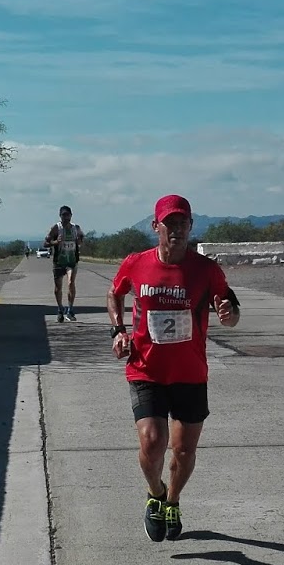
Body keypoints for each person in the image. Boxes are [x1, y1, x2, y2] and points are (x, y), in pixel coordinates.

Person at [107, 194, 240, 542]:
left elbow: (231, 309)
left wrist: (228, 315)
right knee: (153, 442)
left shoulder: (206, 270)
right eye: (170, 223)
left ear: (191, 226)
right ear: (156, 226)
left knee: (183, 451)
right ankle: (155, 492)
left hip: (190, 374)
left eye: (183, 223)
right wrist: (118, 330)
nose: (177, 229)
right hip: (146, 369)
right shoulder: (136, 263)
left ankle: (173, 500)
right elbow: (114, 294)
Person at [44, 205, 85, 322]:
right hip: (59, 262)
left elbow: (81, 239)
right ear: (60, 216)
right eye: (63, 215)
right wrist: (56, 242)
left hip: (72, 261)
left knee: (71, 282)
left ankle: (70, 310)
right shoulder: (56, 228)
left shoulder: (76, 228)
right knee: (58, 287)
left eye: (67, 215)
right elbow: (45, 243)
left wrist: (79, 240)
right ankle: (60, 309)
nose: (66, 217)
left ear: (71, 216)